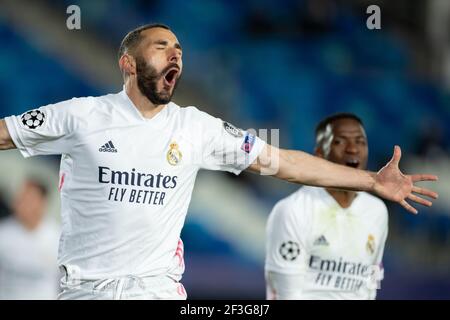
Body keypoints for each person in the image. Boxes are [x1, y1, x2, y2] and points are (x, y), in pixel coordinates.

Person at [0, 23, 438, 300]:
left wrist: (367, 181)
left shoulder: (198, 129)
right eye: (161, 46)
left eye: (179, 50)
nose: (175, 54)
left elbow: (284, 162)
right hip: (85, 293)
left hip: (156, 292)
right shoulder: (81, 115)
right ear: (127, 64)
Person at [265, 113, 390, 300]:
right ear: (319, 155)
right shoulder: (293, 210)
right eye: (340, 142)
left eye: (360, 141)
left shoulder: (377, 211)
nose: (353, 149)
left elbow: (373, 275)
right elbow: (285, 294)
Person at [0, 179, 59, 299]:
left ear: (42, 202)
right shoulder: (3, 233)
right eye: (20, 198)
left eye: (29, 199)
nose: (21, 204)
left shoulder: (58, 237)